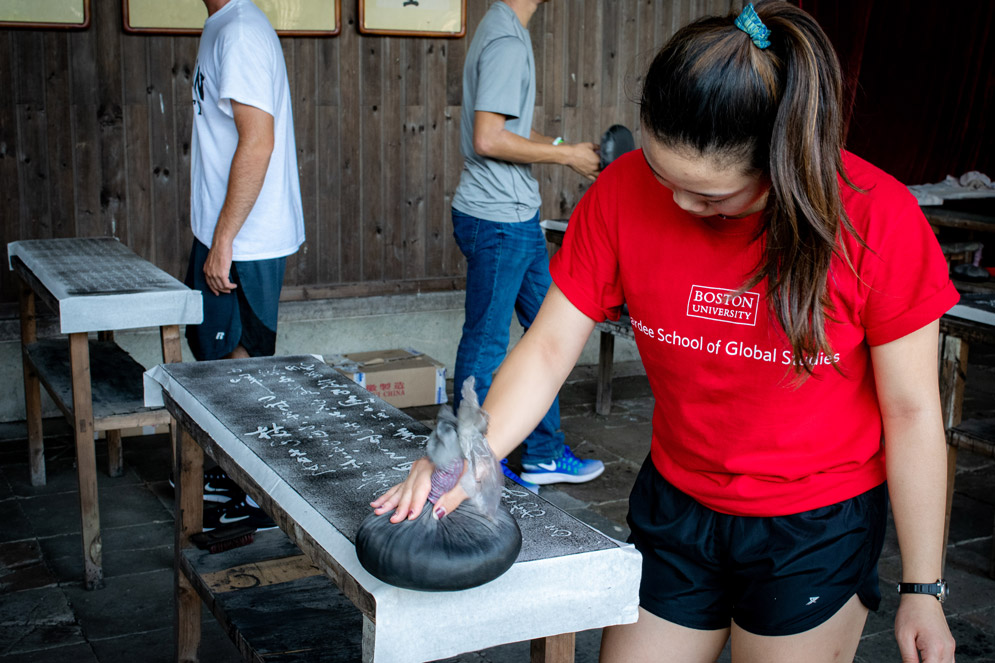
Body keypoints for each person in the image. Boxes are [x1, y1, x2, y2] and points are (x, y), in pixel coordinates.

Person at [373, 2, 958, 661]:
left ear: (779, 161)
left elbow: (911, 413)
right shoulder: (621, 191)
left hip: (812, 527)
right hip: (677, 502)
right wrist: (467, 457)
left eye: (709, 198)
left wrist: (922, 586)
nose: (679, 205)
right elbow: (545, 349)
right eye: (662, 175)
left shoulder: (875, 218)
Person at [450, 0, 604, 487]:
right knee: (487, 344)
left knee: (547, 332)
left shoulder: (505, 29)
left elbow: (510, 130)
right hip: (497, 221)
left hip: (517, 217)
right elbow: (489, 138)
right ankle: (474, 464)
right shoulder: (504, 39)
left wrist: (562, 149)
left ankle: (541, 453)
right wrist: (566, 160)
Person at [184, 0, 305, 530]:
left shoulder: (240, 31)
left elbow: (258, 141)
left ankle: (249, 488)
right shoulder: (225, 25)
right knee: (216, 360)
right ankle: (225, 475)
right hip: (227, 233)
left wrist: (225, 238)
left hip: (244, 239)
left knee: (241, 364)